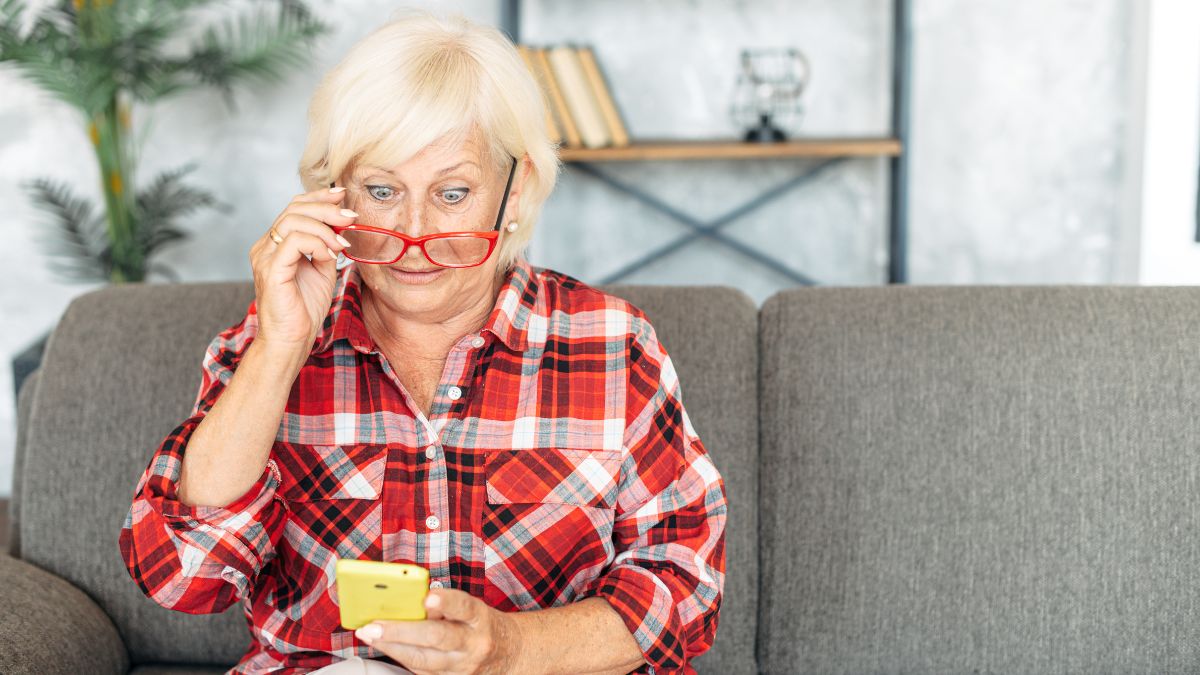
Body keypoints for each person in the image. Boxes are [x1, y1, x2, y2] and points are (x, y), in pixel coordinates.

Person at [119, 9, 726, 675]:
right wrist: (280, 349)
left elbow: (684, 587)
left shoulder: (614, 344)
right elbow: (183, 575)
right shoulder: (266, 343)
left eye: (453, 193)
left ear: (514, 188)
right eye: (381, 190)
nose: (412, 235)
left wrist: (509, 647)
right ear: (333, 191)